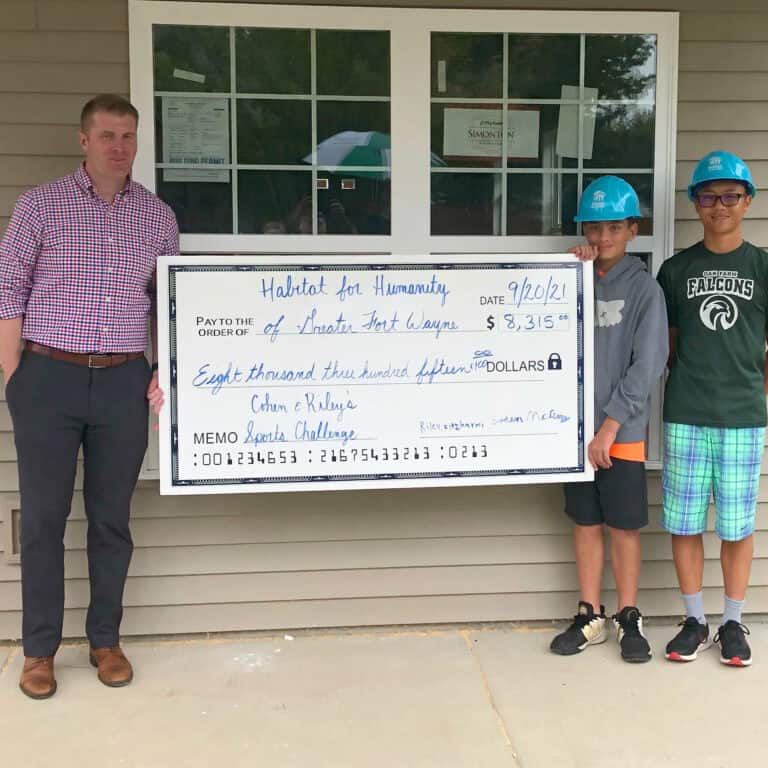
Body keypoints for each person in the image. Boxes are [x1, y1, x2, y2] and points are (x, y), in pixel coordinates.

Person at [0, 94, 178, 698]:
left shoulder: (158, 217)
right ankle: (39, 652)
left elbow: (166, 305)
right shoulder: (39, 206)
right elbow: (8, 295)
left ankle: (105, 640)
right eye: (106, 135)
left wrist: (166, 369)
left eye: (127, 136)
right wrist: (12, 378)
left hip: (125, 380)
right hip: (48, 376)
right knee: (44, 521)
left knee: (111, 520)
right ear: (84, 141)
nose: (118, 147)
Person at [550, 176, 668, 663]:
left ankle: (628, 615)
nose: (601, 237)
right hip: (575, 431)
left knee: (622, 525)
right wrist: (567, 270)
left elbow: (649, 364)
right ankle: (590, 614)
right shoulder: (572, 275)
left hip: (621, 432)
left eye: (613, 227)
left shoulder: (645, 289)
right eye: (593, 227)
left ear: (632, 230)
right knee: (585, 521)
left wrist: (611, 426)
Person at [657, 151, 766, 667]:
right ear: (695, 204)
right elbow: (671, 344)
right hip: (687, 412)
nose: (719, 205)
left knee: (738, 526)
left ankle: (732, 621)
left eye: (729, 196)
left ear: (747, 202)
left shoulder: (763, 266)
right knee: (683, 522)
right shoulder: (676, 270)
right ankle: (696, 619)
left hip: (743, 416)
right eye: (708, 196)